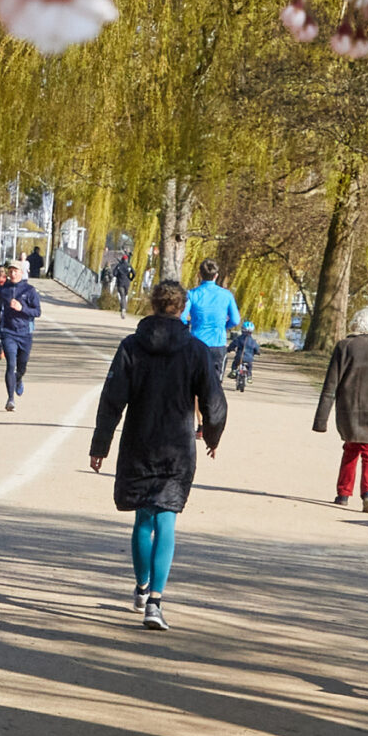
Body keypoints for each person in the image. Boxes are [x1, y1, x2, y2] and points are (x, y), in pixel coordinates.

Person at [89, 279, 226, 632]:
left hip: (139, 440)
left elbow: (112, 398)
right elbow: (212, 399)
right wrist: (211, 434)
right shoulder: (196, 350)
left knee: (143, 519)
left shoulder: (132, 346)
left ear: (152, 305)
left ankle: (141, 587)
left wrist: (100, 445)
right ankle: (156, 602)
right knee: (167, 520)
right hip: (177, 445)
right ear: (183, 309)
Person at [313, 308, 368, 512]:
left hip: (348, 410)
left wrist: (321, 420)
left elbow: (330, 385)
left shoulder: (344, 346)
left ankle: (343, 494)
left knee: (350, 449)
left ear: (354, 324)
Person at [0, 256, 44, 410]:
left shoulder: (29, 290)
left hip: (25, 333)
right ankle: (10, 399)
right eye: (10, 271)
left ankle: (19, 379)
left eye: (15, 271)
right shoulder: (3, 289)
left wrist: (22, 309)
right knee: (11, 365)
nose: (13, 274)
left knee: (21, 366)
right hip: (8, 331)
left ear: (21, 272)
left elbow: (37, 312)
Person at [184, 260, 243, 363]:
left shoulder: (191, 294)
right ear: (216, 276)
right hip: (217, 343)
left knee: (192, 377)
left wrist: (190, 325)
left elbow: (182, 318)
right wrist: (223, 326)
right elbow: (235, 320)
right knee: (215, 378)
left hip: (196, 342)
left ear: (199, 275)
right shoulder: (227, 295)